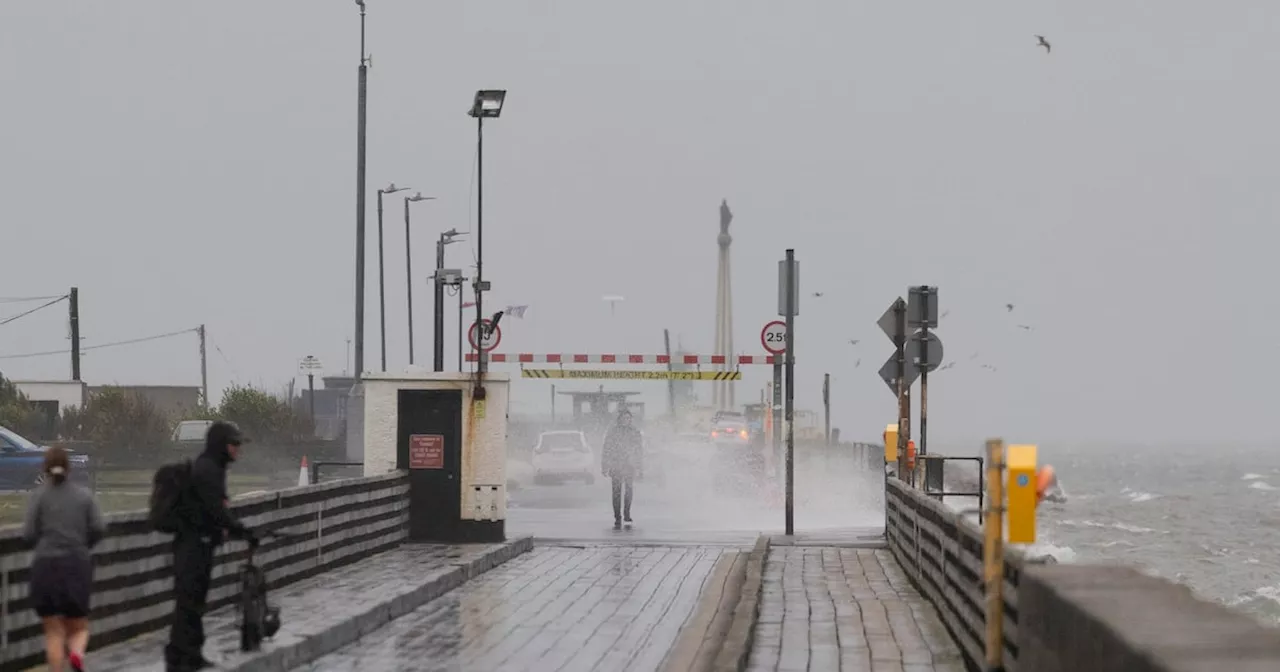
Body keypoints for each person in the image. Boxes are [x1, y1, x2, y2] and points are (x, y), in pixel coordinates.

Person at [166, 421, 254, 672]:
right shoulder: (208, 470)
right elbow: (215, 510)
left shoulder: (212, 467)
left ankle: (188, 655)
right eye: (234, 444)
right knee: (189, 601)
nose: (238, 449)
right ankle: (181, 657)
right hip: (192, 546)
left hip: (199, 544)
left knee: (193, 600)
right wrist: (241, 530)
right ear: (221, 445)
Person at [22, 446, 105, 672]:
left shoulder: (39, 496)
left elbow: (28, 534)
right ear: (69, 468)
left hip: (45, 567)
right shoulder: (84, 496)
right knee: (78, 628)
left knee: (53, 631)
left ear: (45, 468)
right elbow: (98, 528)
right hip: (76, 567)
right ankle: (77, 654)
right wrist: (81, 547)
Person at [601, 409, 643, 529]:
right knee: (616, 492)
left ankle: (627, 513)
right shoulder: (613, 432)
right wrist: (605, 465)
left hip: (629, 465)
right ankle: (617, 516)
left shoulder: (634, 432)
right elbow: (606, 449)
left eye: (628, 418)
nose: (626, 420)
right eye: (624, 418)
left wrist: (639, 466)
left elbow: (639, 450)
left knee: (629, 490)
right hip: (616, 465)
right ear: (619, 419)